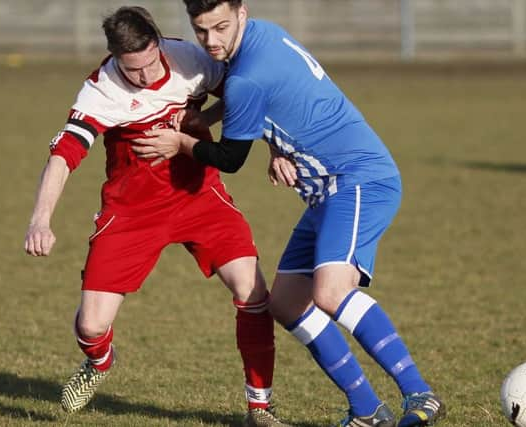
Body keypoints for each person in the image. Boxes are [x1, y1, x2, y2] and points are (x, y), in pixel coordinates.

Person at [132, 1, 447, 427]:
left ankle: (420, 395)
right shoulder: (265, 34)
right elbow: (275, 98)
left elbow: (228, 157)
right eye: (201, 30)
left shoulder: (246, 77)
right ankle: (368, 410)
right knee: (285, 303)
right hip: (326, 192)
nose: (211, 41)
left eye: (221, 27)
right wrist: (270, 143)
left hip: (357, 179)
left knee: (331, 292)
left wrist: (180, 143)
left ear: (241, 11)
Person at [23, 6, 293, 426]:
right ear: (115, 59)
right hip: (132, 213)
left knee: (253, 292)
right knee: (92, 326)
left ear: (158, 44)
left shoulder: (188, 58)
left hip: (199, 198)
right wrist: (41, 219)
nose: (147, 76)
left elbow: (247, 94)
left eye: (152, 63)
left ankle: (260, 407)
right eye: (134, 71)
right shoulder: (101, 90)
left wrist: (268, 145)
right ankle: (99, 362)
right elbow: (63, 156)